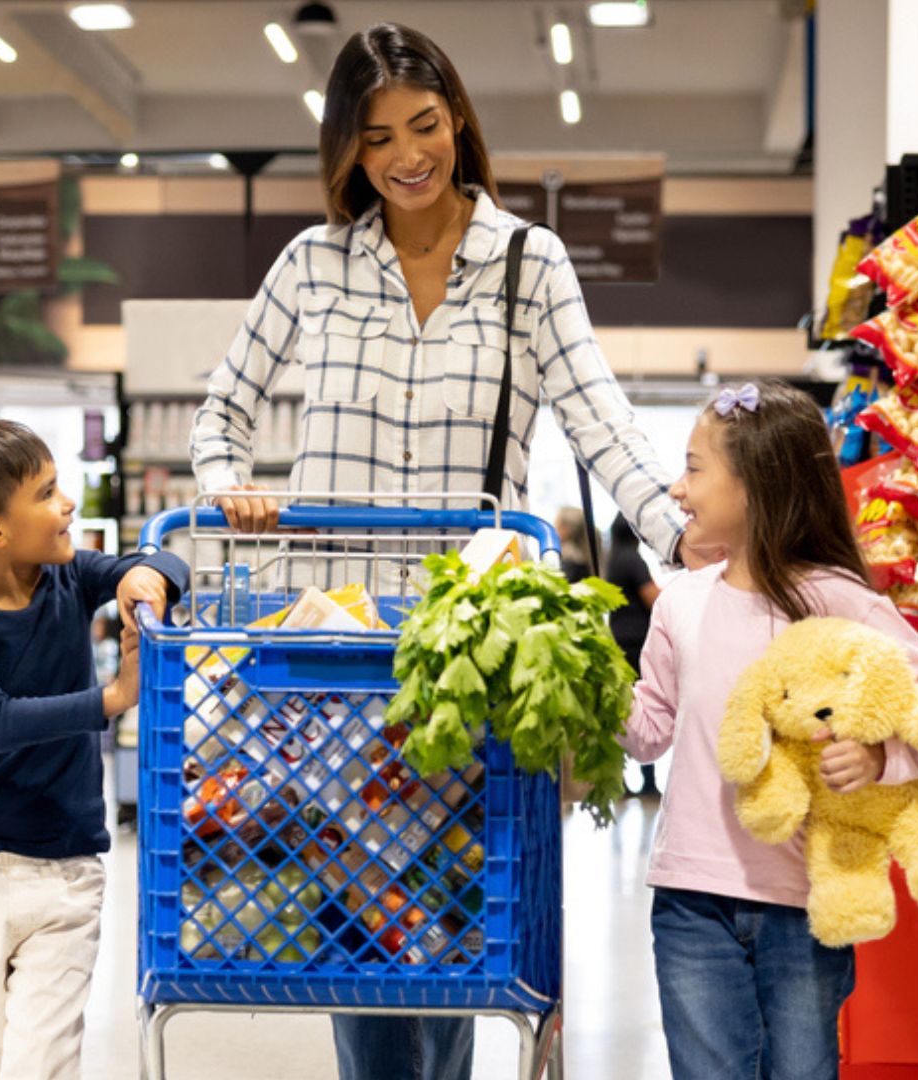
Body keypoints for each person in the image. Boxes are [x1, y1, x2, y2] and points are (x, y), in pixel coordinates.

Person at [190, 23, 714, 1080]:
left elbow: (599, 422)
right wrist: (228, 489)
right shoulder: (314, 264)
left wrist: (698, 546)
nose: (406, 155)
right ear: (348, 149)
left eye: (424, 125)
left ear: (460, 120)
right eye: (376, 137)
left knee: (456, 926)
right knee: (360, 932)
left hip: (472, 650)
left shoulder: (529, 262)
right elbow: (221, 418)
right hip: (335, 652)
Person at [620, 382, 918, 1080]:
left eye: (694, 468)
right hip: (690, 897)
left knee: (804, 1070)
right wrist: (591, 689)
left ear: (755, 485)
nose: (677, 487)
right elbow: (650, 731)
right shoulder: (681, 603)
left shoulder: (838, 599)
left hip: (803, 899)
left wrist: (880, 756)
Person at [0, 420, 187, 1080]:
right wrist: (113, 697)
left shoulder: (72, 577)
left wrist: (146, 576)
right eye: (47, 491)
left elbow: (168, 563)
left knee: (41, 1065)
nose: (67, 504)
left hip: (67, 876)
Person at [603, 517, 662, 796]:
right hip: (636, 644)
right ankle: (648, 782)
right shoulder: (631, 559)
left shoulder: (614, 559)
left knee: (625, 712)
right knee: (643, 712)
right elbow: (653, 598)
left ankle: (624, 783)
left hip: (619, 641)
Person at [555, 506, 591, 583]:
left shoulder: (569, 564)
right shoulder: (584, 559)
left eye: (556, 525)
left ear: (566, 530)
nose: (554, 530)